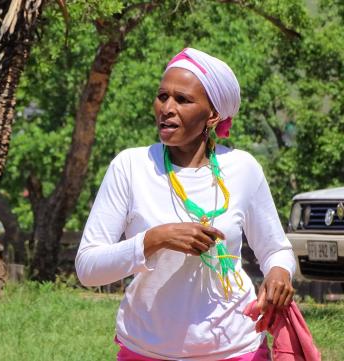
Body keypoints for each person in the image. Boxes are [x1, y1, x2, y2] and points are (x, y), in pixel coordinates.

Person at [75, 48, 296, 360]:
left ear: (213, 115)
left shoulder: (243, 168)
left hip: (236, 348)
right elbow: (87, 268)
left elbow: (276, 250)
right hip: (147, 349)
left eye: (183, 100)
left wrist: (278, 273)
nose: (167, 108)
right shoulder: (131, 166)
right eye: (162, 96)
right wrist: (155, 239)